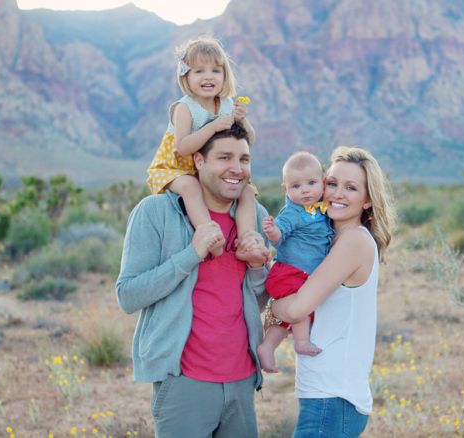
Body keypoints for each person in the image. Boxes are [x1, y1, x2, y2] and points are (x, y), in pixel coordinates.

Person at [116, 122, 270, 438]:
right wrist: (191, 254)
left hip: (242, 379)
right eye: (224, 157)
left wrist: (257, 268)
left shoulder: (253, 215)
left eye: (244, 159)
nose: (236, 169)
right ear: (198, 161)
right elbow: (128, 296)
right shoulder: (156, 212)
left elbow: (255, 299)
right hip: (184, 382)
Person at [271, 146, 396, 438]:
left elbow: (295, 309)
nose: (337, 193)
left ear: (367, 201)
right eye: (332, 183)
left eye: (351, 188)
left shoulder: (353, 241)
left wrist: (272, 308)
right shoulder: (328, 241)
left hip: (333, 396)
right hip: (324, 393)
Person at [146, 36, 257, 261]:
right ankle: (209, 234)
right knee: (190, 186)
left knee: (246, 191)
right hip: (177, 167)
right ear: (186, 77)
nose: (208, 76)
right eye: (199, 71)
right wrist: (213, 126)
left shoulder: (226, 104)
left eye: (215, 70)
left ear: (225, 75)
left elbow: (250, 140)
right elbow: (183, 146)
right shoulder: (185, 108)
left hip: (208, 169)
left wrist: (242, 121)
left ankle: (248, 239)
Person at [257, 152, 334, 373]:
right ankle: (301, 342)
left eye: (311, 183)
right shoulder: (293, 212)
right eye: (297, 186)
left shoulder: (322, 208)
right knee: (303, 306)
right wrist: (273, 232)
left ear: (323, 182)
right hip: (290, 272)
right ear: (286, 190)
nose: (305, 190)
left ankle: (268, 346)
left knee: (286, 318)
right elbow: (281, 234)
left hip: (298, 273)